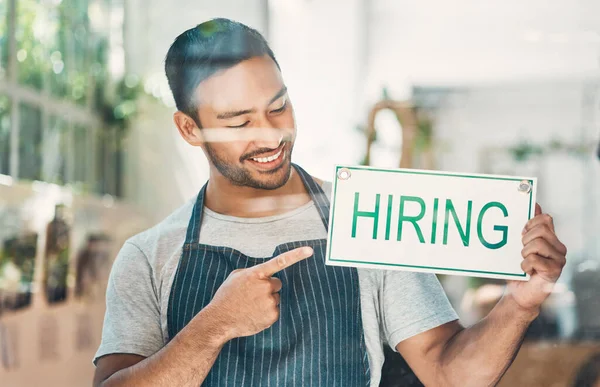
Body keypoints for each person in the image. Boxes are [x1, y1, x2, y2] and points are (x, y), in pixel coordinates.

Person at [92, 18, 568, 387]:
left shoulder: (370, 216)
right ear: (189, 128)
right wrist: (212, 328)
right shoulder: (148, 256)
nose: (271, 133)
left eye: (278, 106)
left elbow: (449, 372)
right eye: (238, 122)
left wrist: (521, 304)